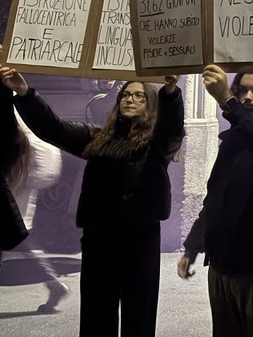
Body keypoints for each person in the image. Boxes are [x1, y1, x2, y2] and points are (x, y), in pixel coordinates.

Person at [0, 65, 184, 337]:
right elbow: (54, 128)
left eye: (139, 96)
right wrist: (25, 93)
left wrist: (170, 91)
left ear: (150, 106)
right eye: (125, 95)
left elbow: (173, 131)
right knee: (97, 316)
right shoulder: (96, 138)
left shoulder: (156, 145)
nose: (129, 99)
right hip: (99, 238)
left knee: (139, 316)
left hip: (140, 238)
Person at [178, 65, 253, 337]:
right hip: (223, 266)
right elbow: (217, 198)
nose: (248, 97)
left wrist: (227, 102)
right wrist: (193, 246)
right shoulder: (233, 139)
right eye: (242, 90)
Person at [0, 80, 68, 312]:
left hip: (21, 169)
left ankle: (53, 283)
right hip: (23, 168)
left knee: (16, 232)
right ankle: (53, 283)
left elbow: (15, 139)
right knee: (14, 232)